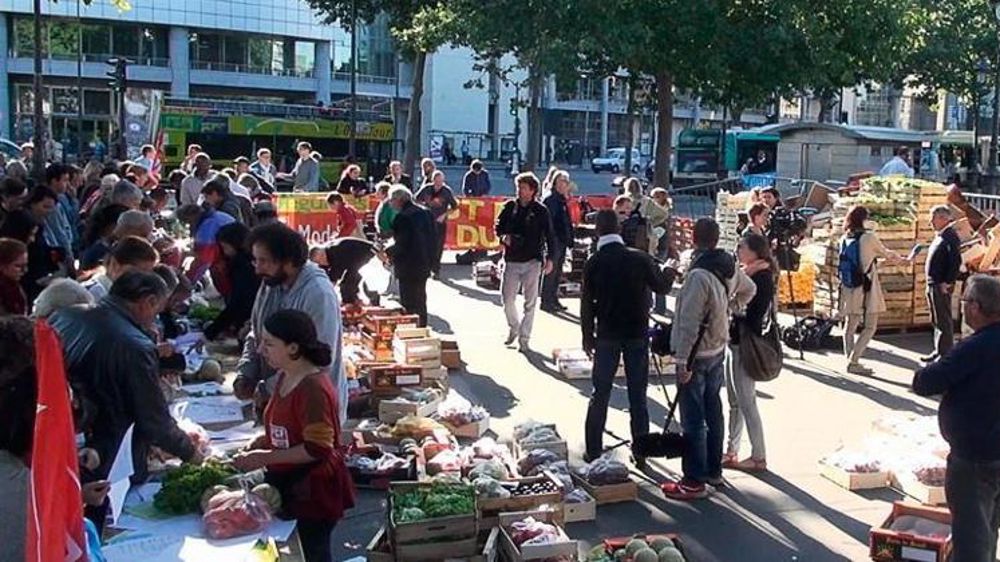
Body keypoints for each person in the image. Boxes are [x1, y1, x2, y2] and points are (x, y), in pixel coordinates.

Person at [50, 271, 204, 482]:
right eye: (157, 311)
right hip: (108, 454)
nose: (154, 320)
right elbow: (154, 419)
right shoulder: (135, 346)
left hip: (63, 436)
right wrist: (192, 454)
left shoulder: (65, 316)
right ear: (149, 302)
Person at [233, 310, 355, 562]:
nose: (261, 350)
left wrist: (264, 457)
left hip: (314, 491)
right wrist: (262, 441)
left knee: (313, 552)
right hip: (291, 482)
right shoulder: (286, 376)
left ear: (293, 348)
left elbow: (317, 448)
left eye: (269, 344)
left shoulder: (312, 388)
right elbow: (288, 430)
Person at [663, 218, 756, 501]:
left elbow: (689, 322)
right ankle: (714, 470)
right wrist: (729, 308)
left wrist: (682, 361)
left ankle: (694, 479)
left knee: (693, 418)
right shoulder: (728, 266)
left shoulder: (698, 275)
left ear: (694, 239)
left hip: (697, 353)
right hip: (717, 347)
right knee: (713, 409)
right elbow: (750, 289)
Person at [912, 274, 1000, 562]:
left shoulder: (975, 347)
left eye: (964, 302)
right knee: (988, 526)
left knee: (972, 534)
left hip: (976, 454)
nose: (962, 308)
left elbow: (926, 381)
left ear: (975, 307)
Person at [581, 210, 675, 464]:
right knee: (638, 395)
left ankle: (593, 449)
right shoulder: (639, 258)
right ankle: (641, 452)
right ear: (619, 229)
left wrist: (587, 336)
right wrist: (669, 271)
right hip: (636, 333)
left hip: (607, 334)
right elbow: (662, 286)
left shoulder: (594, 262)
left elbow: (586, 304)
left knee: (600, 393)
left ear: (598, 231)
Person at [235, 223, 346, 423]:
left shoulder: (318, 294)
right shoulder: (271, 283)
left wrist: (269, 387)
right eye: (255, 260)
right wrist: (247, 371)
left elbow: (317, 358)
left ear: (288, 261)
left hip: (312, 406)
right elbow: (257, 332)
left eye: (264, 261)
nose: (257, 268)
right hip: (278, 401)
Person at [723, 234, 776, 473]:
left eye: (742, 246)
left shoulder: (762, 277)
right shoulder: (747, 273)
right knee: (735, 402)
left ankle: (759, 456)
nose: (738, 250)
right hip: (734, 341)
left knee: (747, 402)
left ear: (755, 251)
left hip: (746, 343)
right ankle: (731, 450)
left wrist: (734, 308)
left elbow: (755, 315)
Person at [839, 205, 906, 375]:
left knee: (850, 325)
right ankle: (853, 361)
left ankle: (850, 359)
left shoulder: (844, 238)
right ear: (864, 219)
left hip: (849, 286)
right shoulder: (868, 238)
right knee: (870, 326)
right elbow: (885, 253)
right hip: (867, 287)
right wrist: (901, 260)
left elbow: (864, 262)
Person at [495, 172, 555, 351]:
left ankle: (524, 338)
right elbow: (498, 226)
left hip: (532, 260)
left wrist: (550, 258)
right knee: (507, 298)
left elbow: (550, 235)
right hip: (512, 259)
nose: (519, 191)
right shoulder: (510, 206)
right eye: (518, 187)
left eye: (523, 188)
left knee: (530, 302)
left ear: (532, 190)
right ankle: (514, 326)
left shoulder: (541, 210)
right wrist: (503, 237)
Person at [386, 186, 436, 327]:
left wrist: (388, 252)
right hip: (424, 262)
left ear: (398, 200)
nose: (390, 203)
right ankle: (422, 327)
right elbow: (434, 238)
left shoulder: (402, 217)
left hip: (408, 265)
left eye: (391, 200)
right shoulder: (426, 212)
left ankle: (412, 330)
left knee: (409, 301)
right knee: (420, 299)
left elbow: (402, 244)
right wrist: (433, 262)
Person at [204, 223, 260, 341]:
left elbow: (237, 302)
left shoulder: (242, 265)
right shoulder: (247, 262)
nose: (224, 252)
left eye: (225, 247)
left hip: (249, 321)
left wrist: (212, 331)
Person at [923, 205, 962, 363]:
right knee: (936, 318)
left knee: (943, 319)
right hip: (933, 282)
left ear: (943, 219)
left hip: (940, 284)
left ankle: (945, 353)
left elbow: (955, 261)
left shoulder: (950, 237)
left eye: (933, 218)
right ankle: (939, 349)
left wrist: (948, 281)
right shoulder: (940, 236)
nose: (931, 222)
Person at [81, 236, 159, 301]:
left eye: (147, 275)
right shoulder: (93, 294)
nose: (142, 281)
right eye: (137, 273)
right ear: (115, 265)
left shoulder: (123, 297)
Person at [176, 203, 235, 283]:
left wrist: (188, 280)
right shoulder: (214, 216)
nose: (189, 226)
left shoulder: (206, 227)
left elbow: (203, 260)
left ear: (192, 217)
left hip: (231, 261)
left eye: (188, 222)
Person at [415, 170, 458, 278]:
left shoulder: (446, 191)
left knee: (438, 247)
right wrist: (423, 209)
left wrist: (444, 215)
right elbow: (415, 200)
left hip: (440, 222)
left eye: (441, 181)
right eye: (437, 181)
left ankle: (436, 270)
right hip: (426, 221)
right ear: (433, 180)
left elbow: (454, 206)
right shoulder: (426, 189)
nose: (439, 183)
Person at [541, 170, 572, 313]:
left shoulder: (561, 200)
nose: (565, 184)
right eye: (562, 181)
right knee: (551, 271)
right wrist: (552, 239)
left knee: (558, 271)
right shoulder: (551, 200)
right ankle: (546, 300)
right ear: (555, 183)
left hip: (562, 240)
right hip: (554, 241)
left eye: (566, 181)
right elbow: (549, 222)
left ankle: (553, 298)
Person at [41, 163, 76, 272]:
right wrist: (69, 255)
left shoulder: (61, 199)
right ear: (54, 181)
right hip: (58, 253)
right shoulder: (52, 205)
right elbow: (59, 232)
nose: (68, 184)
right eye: (64, 180)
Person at [0, 238, 29, 314]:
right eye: (18, 266)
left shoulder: (13, 286)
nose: (25, 270)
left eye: (25, 265)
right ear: (2, 265)